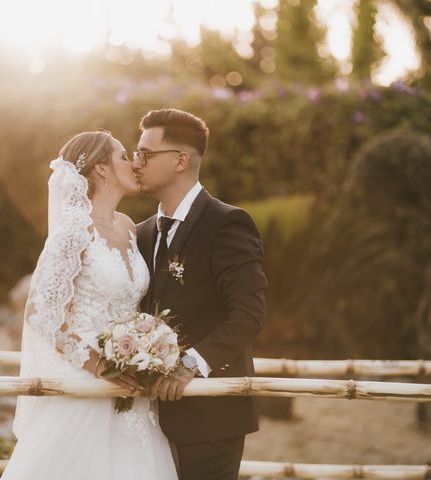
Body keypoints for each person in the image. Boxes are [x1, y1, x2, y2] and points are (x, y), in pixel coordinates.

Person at [2, 131, 178, 480]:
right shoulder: (73, 230)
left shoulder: (128, 227)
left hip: (134, 389)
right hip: (85, 385)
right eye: (124, 156)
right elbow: (42, 312)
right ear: (101, 169)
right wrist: (98, 365)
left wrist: (146, 346)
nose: (134, 163)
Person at [134, 109, 268, 480]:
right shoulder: (142, 233)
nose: (136, 163)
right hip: (144, 420)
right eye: (135, 153)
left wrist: (189, 365)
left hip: (212, 418)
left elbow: (248, 313)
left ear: (180, 160)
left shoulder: (227, 223)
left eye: (146, 154)